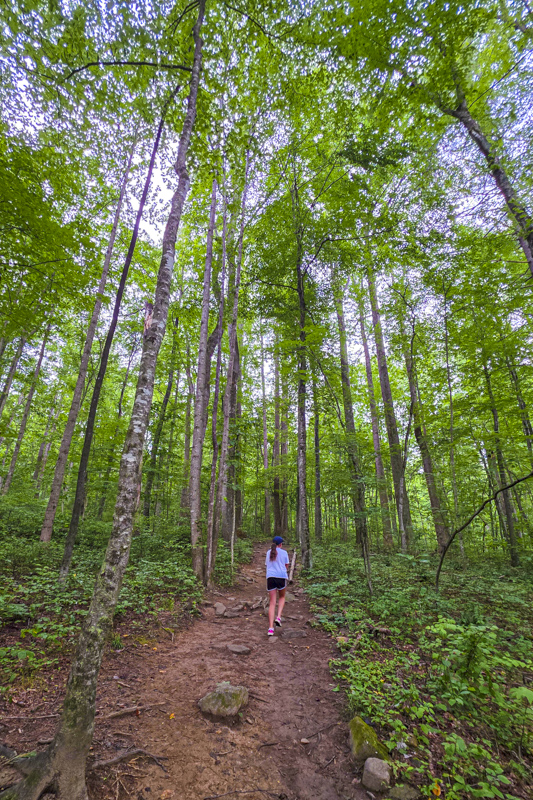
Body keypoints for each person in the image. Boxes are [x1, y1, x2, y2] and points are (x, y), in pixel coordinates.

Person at [265, 535, 290, 636]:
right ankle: (278, 617)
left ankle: (270, 628)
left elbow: (267, 564)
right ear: (281, 544)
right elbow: (286, 565)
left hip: (271, 577)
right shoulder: (284, 553)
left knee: (272, 602)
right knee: (282, 597)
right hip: (281, 577)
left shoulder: (268, 552)